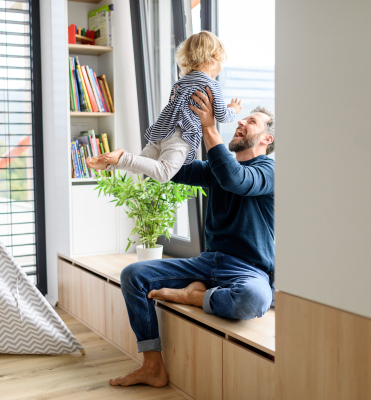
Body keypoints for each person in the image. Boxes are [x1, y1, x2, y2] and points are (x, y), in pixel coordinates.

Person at [109, 87, 275, 387]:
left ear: (267, 139)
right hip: (207, 262)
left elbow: (236, 180)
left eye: (250, 121)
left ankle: (195, 295)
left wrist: (210, 127)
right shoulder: (218, 169)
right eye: (242, 119)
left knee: (255, 299)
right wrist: (174, 119)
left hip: (247, 269)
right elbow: (172, 170)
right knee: (133, 274)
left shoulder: (269, 170)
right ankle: (152, 365)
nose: (240, 123)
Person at [87, 31, 243, 182]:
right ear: (214, 58)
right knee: (163, 173)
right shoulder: (212, 85)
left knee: (141, 164)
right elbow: (222, 116)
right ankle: (121, 157)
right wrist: (233, 109)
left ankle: (109, 163)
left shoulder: (180, 83)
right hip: (182, 135)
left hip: (162, 130)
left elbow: (173, 106)